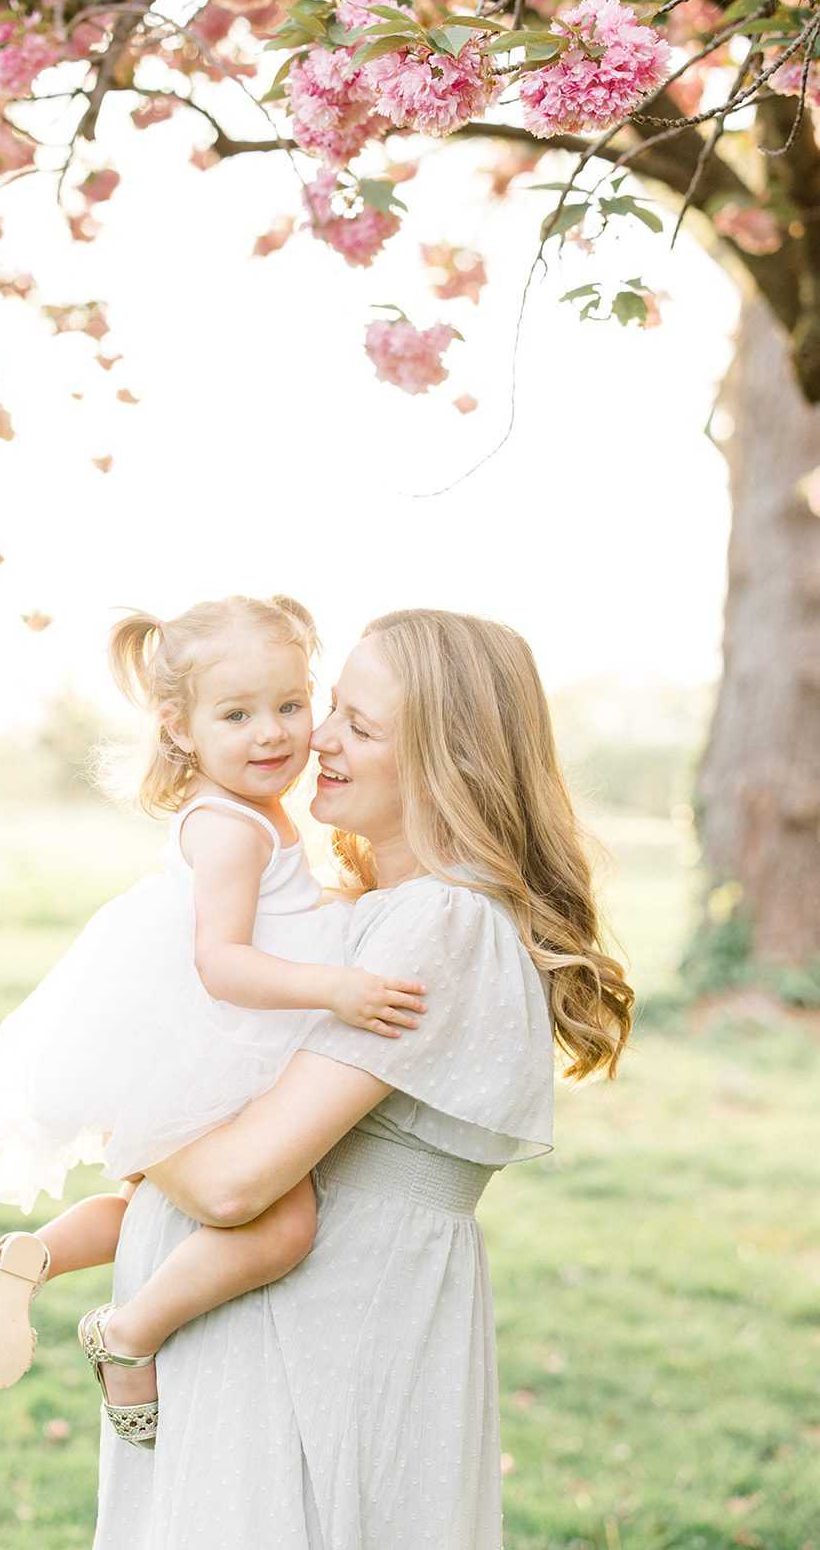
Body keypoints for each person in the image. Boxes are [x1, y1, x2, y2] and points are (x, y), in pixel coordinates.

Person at [90, 608, 635, 1549]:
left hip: (312, 1351)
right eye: (331, 706)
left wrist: (107, 1093)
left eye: (360, 725)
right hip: (275, 1341)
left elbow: (230, 1182)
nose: (317, 740)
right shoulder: (372, 915)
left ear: (448, 759)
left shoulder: (441, 924)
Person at [0, 595, 424, 1439]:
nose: (274, 733)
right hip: (207, 1035)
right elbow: (223, 962)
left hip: (194, 1039)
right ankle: (130, 1336)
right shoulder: (228, 828)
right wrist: (335, 987)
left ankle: (31, 1258)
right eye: (237, 714)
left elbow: (276, 915)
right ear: (180, 729)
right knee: (281, 1226)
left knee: (152, 1205)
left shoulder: (256, 814)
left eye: (290, 705)